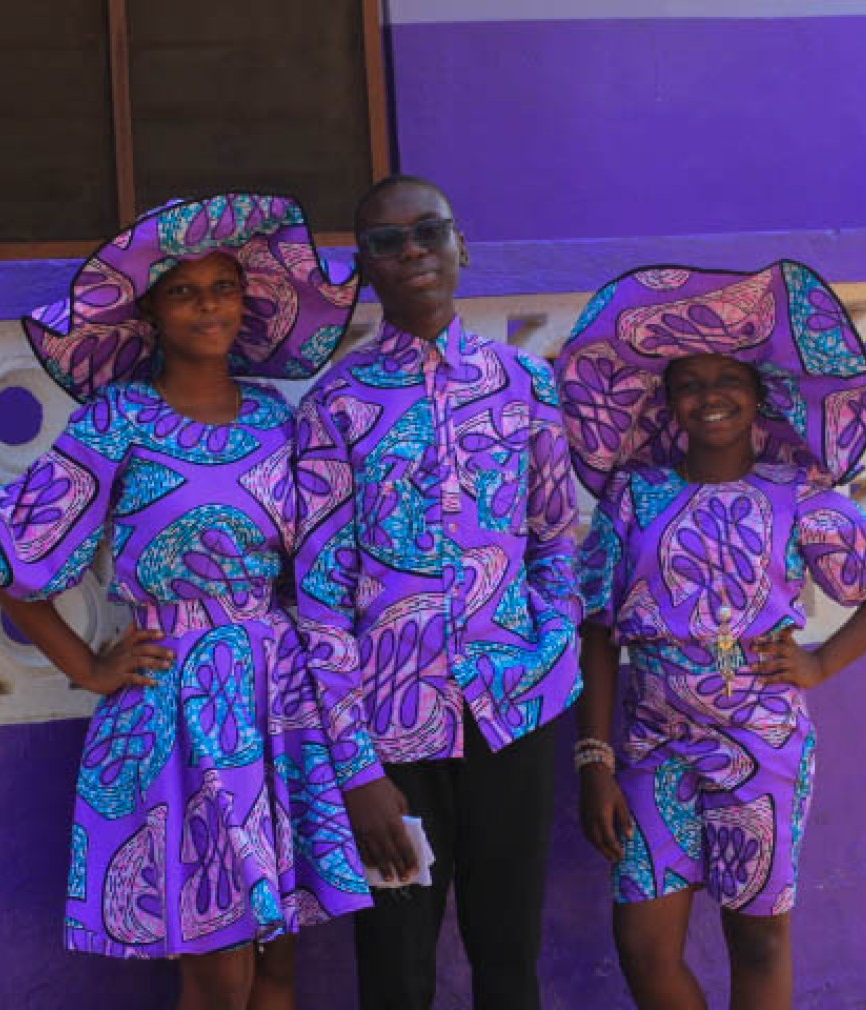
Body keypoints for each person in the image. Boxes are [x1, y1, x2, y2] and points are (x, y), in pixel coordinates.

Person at [0, 193, 370, 1010]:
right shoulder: (119, 420)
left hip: (275, 700)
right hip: (175, 709)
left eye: (223, 287)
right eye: (183, 291)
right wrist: (85, 666)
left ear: (247, 300)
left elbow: (316, 570)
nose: (208, 306)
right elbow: (1, 542)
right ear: (149, 312)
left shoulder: (278, 421)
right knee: (217, 964)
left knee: (278, 964)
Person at [556, 262, 866, 1009]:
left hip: (762, 745)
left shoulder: (796, 493)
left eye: (727, 379)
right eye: (689, 384)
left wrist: (820, 662)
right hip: (652, 747)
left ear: (759, 395)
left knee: (756, 940)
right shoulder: (635, 494)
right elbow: (596, 626)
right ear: (669, 402)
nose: (709, 396)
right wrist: (594, 758)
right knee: (643, 947)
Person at [291, 175, 583, 1009]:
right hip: (392, 738)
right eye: (387, 242)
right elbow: (319, 597)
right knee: (395, 964)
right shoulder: (336, 405)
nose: (412, 251)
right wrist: (357, 769)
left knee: (508, 956)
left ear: (461, 245)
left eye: (428, 231)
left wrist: (546, 655)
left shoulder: (523, 383)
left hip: (510, 717)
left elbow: (554, 538)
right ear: (365, 266)